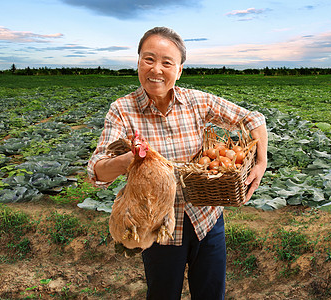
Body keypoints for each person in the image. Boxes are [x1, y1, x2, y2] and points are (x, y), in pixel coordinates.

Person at [87, 26, 268, 299]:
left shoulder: (197, 101)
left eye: (166, 62)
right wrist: (129, 159)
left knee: (210, 294)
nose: (156, 69)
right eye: (149, 59)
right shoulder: (122, 110)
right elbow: (97, 170)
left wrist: (261, 162)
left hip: (207, 221)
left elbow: (253, 119)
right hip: (157, 228)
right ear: (138, 62)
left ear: (179, 70)